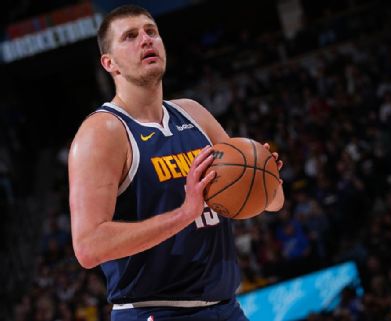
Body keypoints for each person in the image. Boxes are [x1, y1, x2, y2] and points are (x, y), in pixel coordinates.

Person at [68, 5, 284, 321]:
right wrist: (185, 213)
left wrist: (266, 178)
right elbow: (88, 247)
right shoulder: (103, 132)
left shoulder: (193, 114)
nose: (146, 40)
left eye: (151, 31)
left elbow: (272, 203)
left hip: (225, 309)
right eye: (130, 36)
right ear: (109, 63)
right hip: (153, 312)